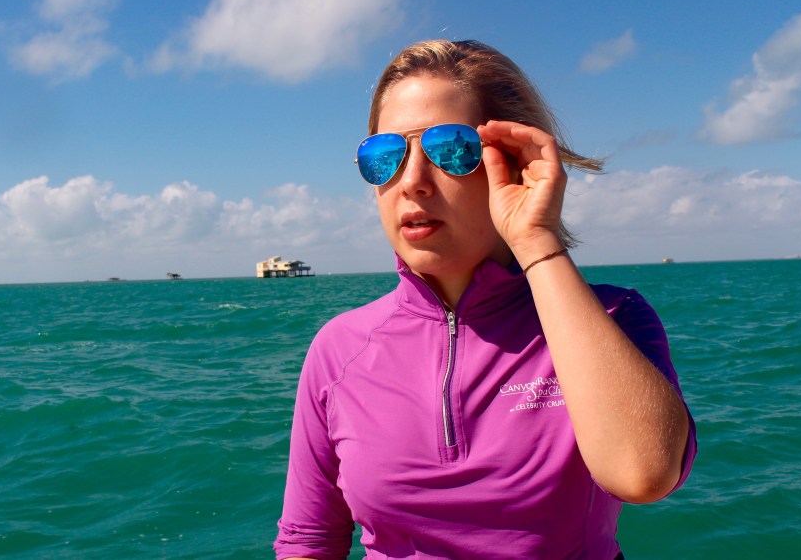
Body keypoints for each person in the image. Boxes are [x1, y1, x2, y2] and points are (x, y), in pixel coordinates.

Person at [274, 39, 697, 559]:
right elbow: (309, 540)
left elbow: (643, 473)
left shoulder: (611, 319)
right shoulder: (340, 348)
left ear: (514, 162)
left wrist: (537, 240)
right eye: (385, 157)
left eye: (450, 149)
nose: (412, 182)